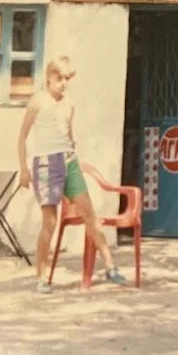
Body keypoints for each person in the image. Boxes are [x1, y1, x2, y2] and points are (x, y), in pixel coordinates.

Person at [17, 56, 127, 294]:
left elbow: (69, 134)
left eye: (67, 79)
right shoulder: (38, 101)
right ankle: (42, 277)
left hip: (68, 161)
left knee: (89, 213)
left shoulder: (69, 105)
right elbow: (22, 137)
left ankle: (110, 266)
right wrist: (24, 170)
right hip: (46, 163)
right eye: (59, 78)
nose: (64, 83)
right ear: (49, 77)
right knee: (50, 222)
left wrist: (72, 155)